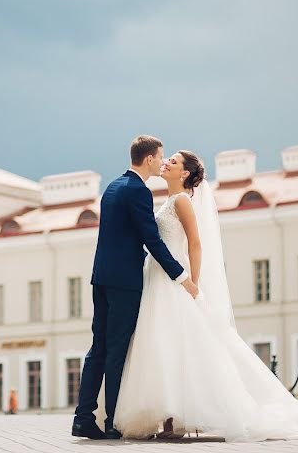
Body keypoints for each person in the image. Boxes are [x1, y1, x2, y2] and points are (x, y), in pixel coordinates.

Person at [114, 152, 298, 442]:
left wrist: (193, 283)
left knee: (178, 346)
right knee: (165, 346)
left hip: (174, 283)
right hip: (158, 279)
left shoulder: (181, 201)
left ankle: (176, 420)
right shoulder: (169, 201)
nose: (166, 163)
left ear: (184, 175)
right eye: (167, 159)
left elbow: (195, 243)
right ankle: (169, 419)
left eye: (173, 161)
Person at [72, 136, 199, 441]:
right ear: (149, 159)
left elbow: (120, 237)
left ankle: (83, 417)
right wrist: (182, 277)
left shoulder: (113, 187)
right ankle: (114, 421)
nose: (162, 161)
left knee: (98, 348)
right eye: (160, 157)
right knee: (117, 350)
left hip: (100, 277)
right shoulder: (139, 192)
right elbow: (151, 240)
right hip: (125, 283)